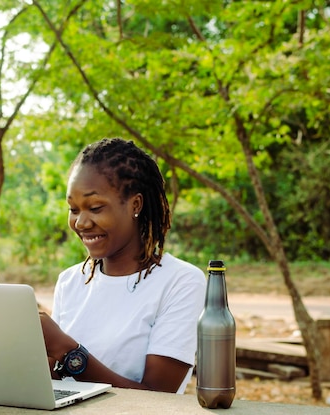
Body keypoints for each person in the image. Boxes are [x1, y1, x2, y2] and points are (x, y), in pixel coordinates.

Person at [40, 138, 206, 394]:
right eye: (73, 209)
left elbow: (159, 395)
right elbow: (54, 380)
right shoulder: (70, 281)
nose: (81, 222)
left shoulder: (180, 282)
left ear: (135, 205)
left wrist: (66, 349)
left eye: (95, 208)